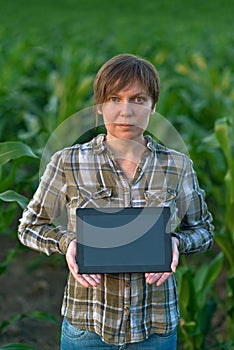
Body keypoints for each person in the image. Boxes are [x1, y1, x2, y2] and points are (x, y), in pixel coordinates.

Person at [18, 53, 214, 350]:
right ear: (99, 108)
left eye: (138, 100)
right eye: (114, 99)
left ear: (153, 107)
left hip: (155, 327)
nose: (126, 112)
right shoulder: (67, 162)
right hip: (87, 327)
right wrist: (68, 243)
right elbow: (30, 226)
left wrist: (176, 243)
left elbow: (203, 230)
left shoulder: (177, 165)